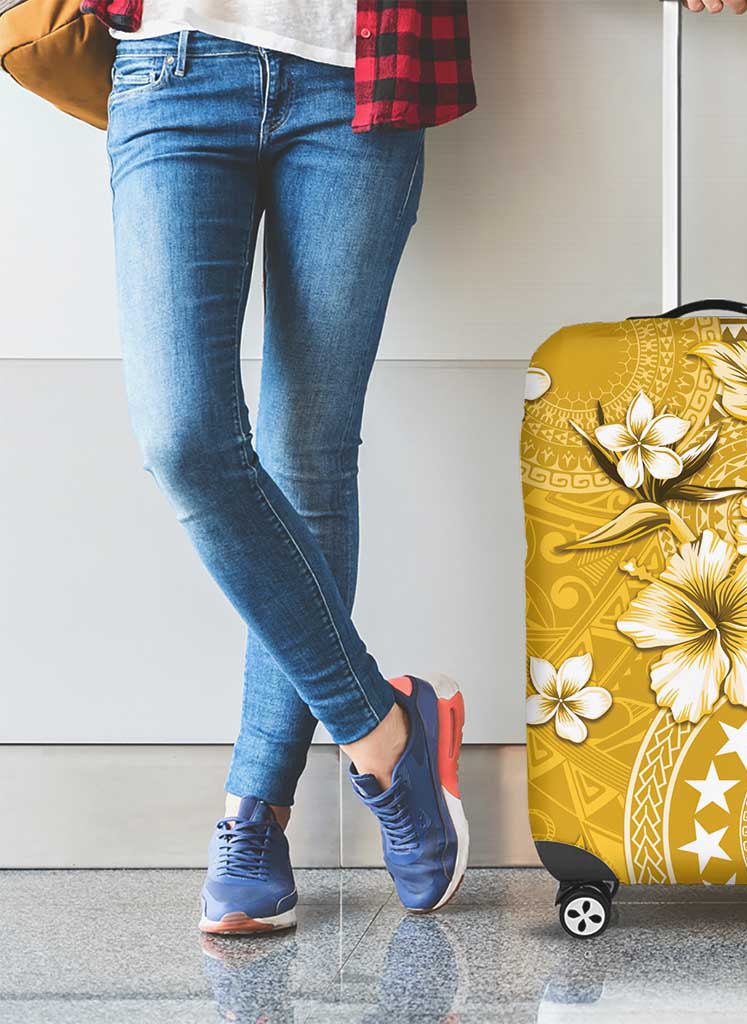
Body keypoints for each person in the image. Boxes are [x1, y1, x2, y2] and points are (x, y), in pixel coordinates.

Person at [83, 0, 474, 933]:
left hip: (358, 79)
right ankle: (386, 731)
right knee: (184, 440)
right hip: (174, 68)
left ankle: (255, 814)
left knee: (308, 455)